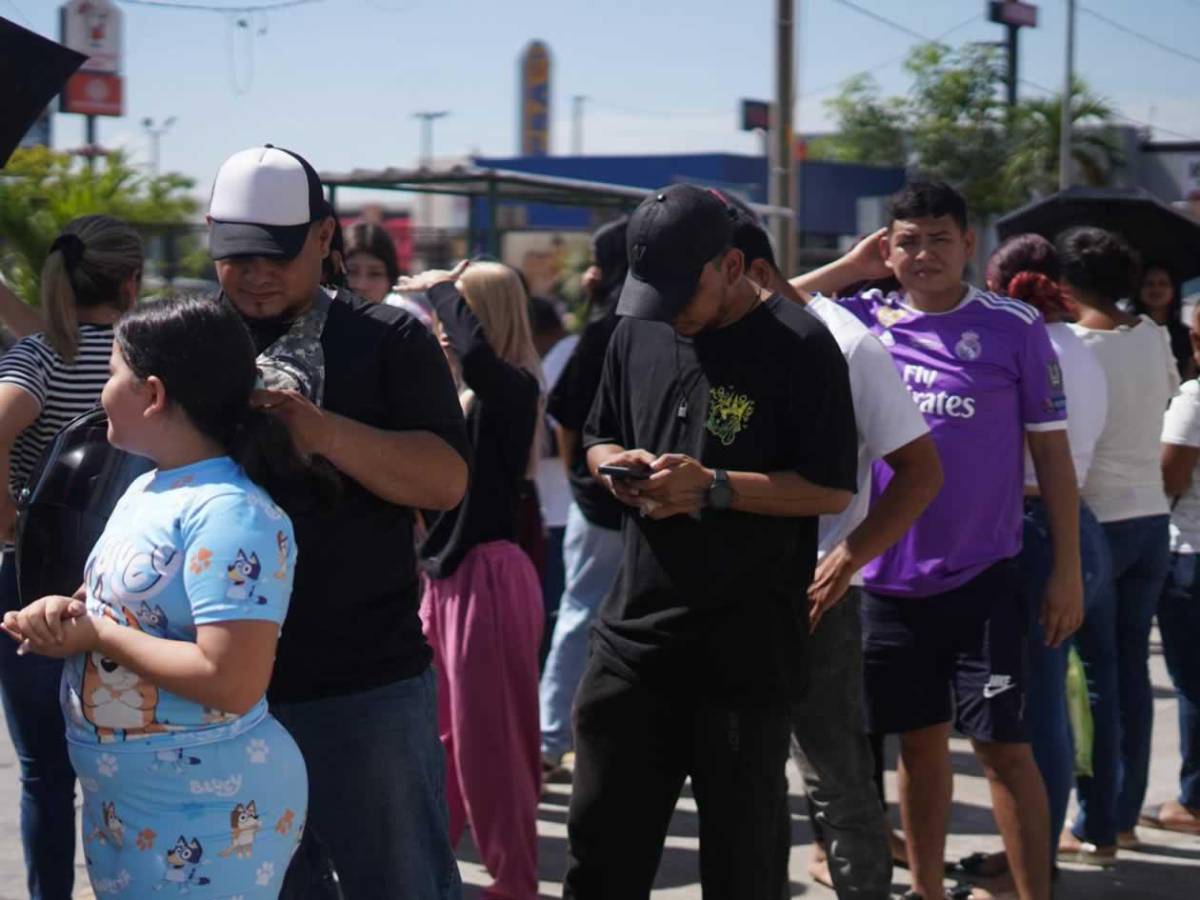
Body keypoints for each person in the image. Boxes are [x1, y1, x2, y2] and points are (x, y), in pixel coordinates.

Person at [565, 184, 858, 899]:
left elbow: (830, 489)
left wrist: (714, 487)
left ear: (731, 266)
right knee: (601, 862)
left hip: (743, 658)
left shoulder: (801, 345)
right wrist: (618, 470)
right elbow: (598, 435)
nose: (666, 312)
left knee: (743, 872)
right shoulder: (636, 328)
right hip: (632, 647)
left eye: (678, 293)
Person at [792, 180, 1082, 900]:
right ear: (886, 247)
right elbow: (768, 306)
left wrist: (1068, 570)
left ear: (968, 244)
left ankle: (1033, 890)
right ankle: (925, 893)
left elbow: (1053, 457)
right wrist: (848, 270)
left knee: (1005, 749)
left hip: (985, 576)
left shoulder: (1014, 326)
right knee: (917, 750)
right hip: (886, 581)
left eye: (939, 239)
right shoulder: (861, 318)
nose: (923, 254)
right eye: (907, 240)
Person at [207, 144, 470, 900]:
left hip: (365, 684)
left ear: (324, 238)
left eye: (276, 255)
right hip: (226, 694)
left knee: (402, 884)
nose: (255, 275)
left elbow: (447, 481)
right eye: (236, 255)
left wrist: (324, 433)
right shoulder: (188, 337)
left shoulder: (389, 336)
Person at [2, 295, 315, 898]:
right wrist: (61, 613)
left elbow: (231, 679)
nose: (101, 391)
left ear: (152, 393)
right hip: (134, 808)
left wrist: (98, 634)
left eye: (112, 374)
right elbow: (115, 602)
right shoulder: (148, 486)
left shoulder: (232, 513)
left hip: (208, 814)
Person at [731, 207, 943, 900]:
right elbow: (784, 291)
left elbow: (921, 473)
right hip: (731, 589)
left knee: (838, 780)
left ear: (748, 274)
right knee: (744, 780)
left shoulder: (851, 349)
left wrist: (849, 558)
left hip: (820, 595)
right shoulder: (736, 327)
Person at [943, 235, 1110, 890]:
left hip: (1033, 529)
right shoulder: (1081, 350)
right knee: (1044, 708)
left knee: (1032, 717)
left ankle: (1031, 865)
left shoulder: (1025, 346)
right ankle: (1030, 857)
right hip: (1072, 529)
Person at [0, 214, 142, 900]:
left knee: (45, 775)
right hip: (134, 586)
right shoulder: (144, 359)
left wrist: (7, 519)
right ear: (133, 284)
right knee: (137, 766)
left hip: (31, 585)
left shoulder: (40, 355)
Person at [403, 260, 545, 900]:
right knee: (441, 741)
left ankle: (513, 880)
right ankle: (436, 867)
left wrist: (435, 288)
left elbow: (481, 362)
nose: (441, 328)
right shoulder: (466, 397)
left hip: (488, 580)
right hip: (450, 581)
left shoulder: (511, 390)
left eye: (456, 312)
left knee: (493, 744)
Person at [1058, 226, 1179, 864]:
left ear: (1067, 283)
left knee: (1096, 680)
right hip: (1150, 519)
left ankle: (1097, 826)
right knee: (1129, 673)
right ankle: (1122, 818)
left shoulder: (1072, 344)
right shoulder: (1154, 336)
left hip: (1096, 523)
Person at [539, 217, 629, 774]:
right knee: (583, 617)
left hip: (603, 505)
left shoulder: (606, 322)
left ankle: (554, 740)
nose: (590, 272)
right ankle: (550, 741)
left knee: (582, 616)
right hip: (608, 508)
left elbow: (565, 416)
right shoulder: (621, 323)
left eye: (599, 259)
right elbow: (569, 415)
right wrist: (584, 475)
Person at [1150, 303, 1200, 836]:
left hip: (1191, 554)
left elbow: (1168, 479)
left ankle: (1194, 801)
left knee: (1192, 686)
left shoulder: (1193, 400)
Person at [529, 295, 579, 659]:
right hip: (558, 509)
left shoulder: (566, 354)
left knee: (556, 621)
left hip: (563, 511)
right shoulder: (563, 352)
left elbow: (557, 430)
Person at [344, 221, 434, 328]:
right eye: (351, 272)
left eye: (375, 274)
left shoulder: (408, 325)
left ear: (390, 279)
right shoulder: (321, 322)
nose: (361, 285)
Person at [1132, 262, 1192, 380]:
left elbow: (1189, 374)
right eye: (1149, 284)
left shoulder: (1185, 335)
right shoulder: (1126, 329)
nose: (1156, 289)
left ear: (1173, 290)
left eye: (1163, 284)